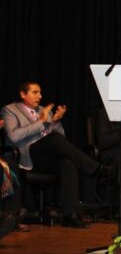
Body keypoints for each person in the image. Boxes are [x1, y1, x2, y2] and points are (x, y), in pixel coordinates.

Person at [1, 81, 107, 228]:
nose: (40, 96)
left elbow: (61, 140)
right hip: (26, 155)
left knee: (67, 163)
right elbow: (13, 136)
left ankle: (69, 215)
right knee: (53, 139)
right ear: (23, 94)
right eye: (35, 92)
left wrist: (56, 122)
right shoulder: (10, 110)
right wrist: (41, 122)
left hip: (45, 157)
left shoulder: (44, 110)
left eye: (40, 92)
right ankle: (96, 169)